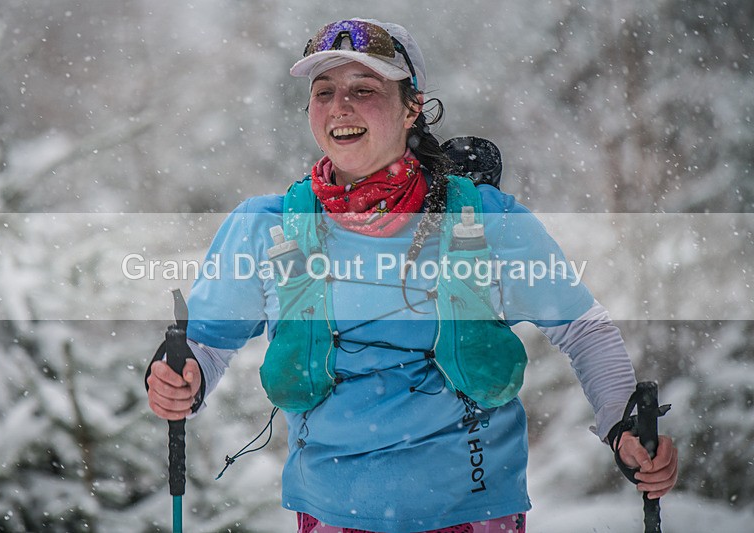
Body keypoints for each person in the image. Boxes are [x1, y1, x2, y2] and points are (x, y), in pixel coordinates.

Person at [146, 18, 678, 533]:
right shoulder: (266, 227)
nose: (341, 106)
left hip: (471, 510)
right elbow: (206, 345)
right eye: (324, 90)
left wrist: (621, 423)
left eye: (365, 88)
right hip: (333, 513)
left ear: (412, 108)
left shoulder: (486, 220)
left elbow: (582, 328)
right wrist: (182, 380)